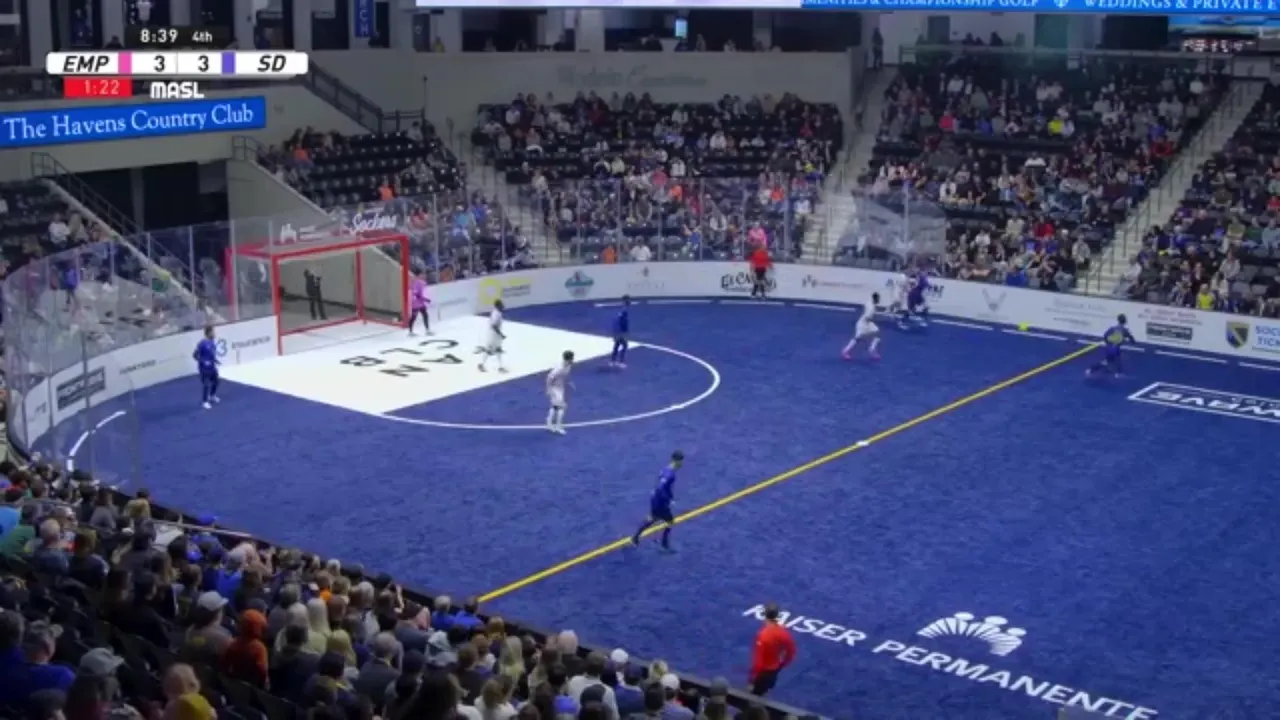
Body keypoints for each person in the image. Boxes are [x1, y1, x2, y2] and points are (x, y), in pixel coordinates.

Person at [629, 451, 684, 552]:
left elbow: (663, 487)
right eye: (681, 461)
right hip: (660, 502)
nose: (682, 464)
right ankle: (664, 543)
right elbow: (660, 488)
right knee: (668, 521)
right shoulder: (670, 474)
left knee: (653, 518)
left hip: (656, 499)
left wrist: (670, 497)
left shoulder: (665, 469)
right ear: (676, 461)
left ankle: (636, 538)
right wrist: (668, 500)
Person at [747, 603, 795, 697]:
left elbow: (758, 663)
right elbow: (791, 652)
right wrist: (781, 665)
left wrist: (752, 679)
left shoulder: (763, 636)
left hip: (762, 674)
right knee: (764, 693)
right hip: (774, 671)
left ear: (765, 615)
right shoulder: (783, 633)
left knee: (753, 697)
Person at [1087, 313, 1136, 378]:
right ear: (1125, 321)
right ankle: (1091, 370)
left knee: (1118, 359)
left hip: (1110, 347)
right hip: (1115, 348)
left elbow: (1105, 335)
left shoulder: (1113, 328)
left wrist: (1108, 343)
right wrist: (1133, 342)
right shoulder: (1125, 330)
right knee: (1107, 361)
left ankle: (1118, 373)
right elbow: (1131, 339)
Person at [842, 292, 882, 361]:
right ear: (875, 299)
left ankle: (872, 349)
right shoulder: (871, 309)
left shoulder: (869, 303)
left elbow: (864, 307)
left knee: (878, 333)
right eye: (878, 299)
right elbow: (867, 317)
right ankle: (845, 351)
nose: (879, 300)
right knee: (857, 338)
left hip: (867, 323)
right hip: (863, 324)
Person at [545, 351, 574, 435]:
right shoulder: (559, 368)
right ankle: (558, 426)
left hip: (560, 388)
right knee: (562, 407)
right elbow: (549, 378)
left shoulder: (568, 366)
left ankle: (549, 423)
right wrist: (548, 389)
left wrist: (569, 382)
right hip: (554, 389)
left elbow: (565, 375)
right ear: (568, 359)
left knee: (555, 406)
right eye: (572, 358)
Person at [192, 325, 220, 409]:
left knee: (216, 381)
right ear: (209, 333)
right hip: (204, 369)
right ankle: (205, 401)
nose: (214, 333)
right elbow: (194, 355)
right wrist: (203, 361)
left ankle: (212, 395)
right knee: (206, 384)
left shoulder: (212, 343)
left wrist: (216, 361)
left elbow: (211, 355)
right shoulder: (202, 343)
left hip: (212, 367)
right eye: (213, 332)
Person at [477, 300, 507, 373]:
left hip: (494, 335)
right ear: (498, 306)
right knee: (490, 350)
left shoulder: (497, 313)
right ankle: (482, 364)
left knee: (498, 349)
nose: (503, 306)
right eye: (501, 305)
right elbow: (494, 326)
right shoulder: (496, 314)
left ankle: (500, 367)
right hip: (493, 335)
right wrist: (501, 334)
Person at [408, 271, 432, 336]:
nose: (424, 276)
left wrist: (425, 299)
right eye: (422, 274)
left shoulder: (422, 283)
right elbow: (416, 294)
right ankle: (410, 331)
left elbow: (422, 292)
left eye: (424, 274)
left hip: (421, 303)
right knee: (414, 317)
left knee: (425, 315)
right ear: (419, 275)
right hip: (416, 303)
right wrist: (425, 299)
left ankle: (427, 330)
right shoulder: (416, 283)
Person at [610, 296, 631, 369]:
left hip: (618, 331)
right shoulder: (623, 311)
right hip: (620, 332)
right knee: (624, 346)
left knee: (617, 345)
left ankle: (613, 361)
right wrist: (624, 332)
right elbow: (622, 322)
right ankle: (621, 362)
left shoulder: (622, 310)